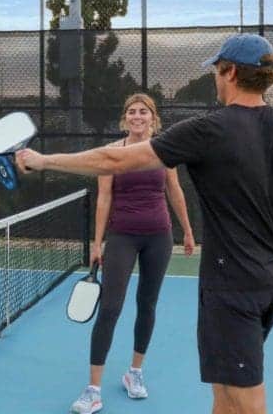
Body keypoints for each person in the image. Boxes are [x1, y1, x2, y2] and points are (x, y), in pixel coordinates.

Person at [16, 34, 273, 414]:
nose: (215, 76)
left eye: (217, 69)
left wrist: (45, 161)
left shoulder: (207, 130)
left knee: (246, 400)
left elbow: (114, 161)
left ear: (229, 72)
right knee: (226, 390)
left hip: (234, 284)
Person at [71, 93, 195, 414]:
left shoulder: (163, 150)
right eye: (132, 112)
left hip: (159, 236)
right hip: (122, 236)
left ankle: (134, 372)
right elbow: (103, 199)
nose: (137, 116)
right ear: (125, 119)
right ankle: (93, 389)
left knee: (147, 304)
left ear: (153, 118)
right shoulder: (112, 154)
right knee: (110, 308)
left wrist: (187, 230)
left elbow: (174, 190)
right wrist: (97, 243)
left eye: (143, 112)